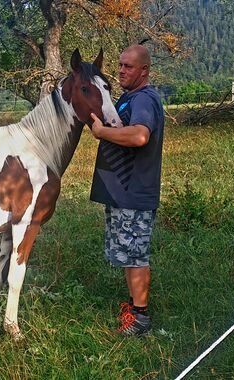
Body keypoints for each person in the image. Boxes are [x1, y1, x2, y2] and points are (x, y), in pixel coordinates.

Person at [88, 44, 165, 336]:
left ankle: (141, 318)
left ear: (144, 70)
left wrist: (102, 133)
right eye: (120, 65)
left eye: (128, 66)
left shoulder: (145, 99)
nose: (121, 70)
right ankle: (133, 306)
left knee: (135, 254)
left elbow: (139, 135)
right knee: (126, 252)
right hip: (122, 192)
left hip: (135, 193)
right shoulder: (128, 98)